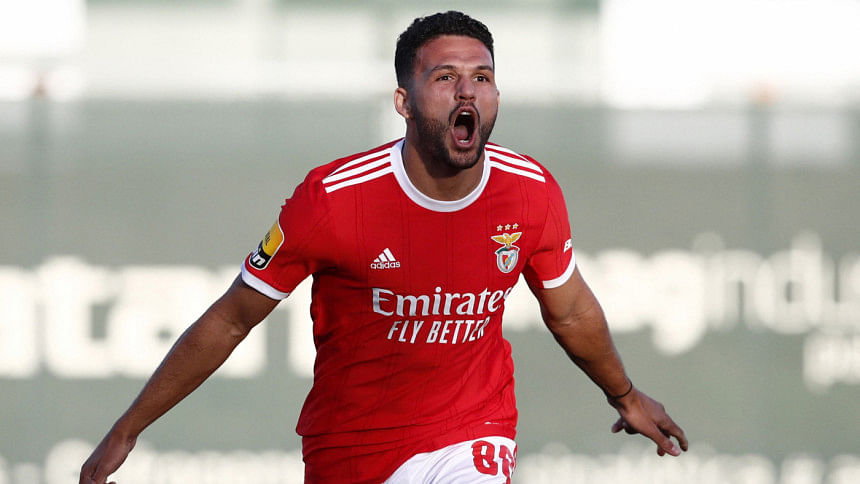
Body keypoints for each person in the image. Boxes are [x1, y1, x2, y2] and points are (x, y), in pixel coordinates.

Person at [79, 10, 687, 484]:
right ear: (403, 102)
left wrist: (625, 395)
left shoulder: (530, 191)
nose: (467, 93)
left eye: (482, 78)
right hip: (352, 448)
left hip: (473, 432)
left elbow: (570, 310)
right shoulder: (332, 199)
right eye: (445, 78)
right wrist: (128, 429)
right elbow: (232, 319)